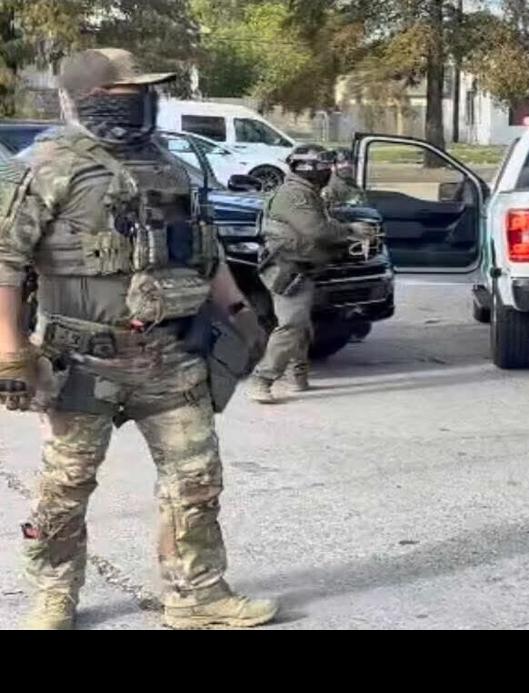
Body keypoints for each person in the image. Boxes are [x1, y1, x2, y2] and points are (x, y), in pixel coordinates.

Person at [0, 48, 277, 630]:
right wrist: (12, 352)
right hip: (80, 360)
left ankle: (196, 595)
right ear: (85, 100)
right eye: (124, 95)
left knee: (196, 481)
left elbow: (203, 249)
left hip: (171, 357)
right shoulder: (45, 165)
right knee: (64, 488)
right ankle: (53, 595)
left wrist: (239, 312)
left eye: (143, 95)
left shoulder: (169, 164)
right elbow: (4, 261)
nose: (140, 105)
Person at [249, 144, 367, 403]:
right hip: (288, 269)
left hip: (301, 268)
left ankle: (297, 376)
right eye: (324, 167)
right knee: (291, 325)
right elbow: (316, 230)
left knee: (300, 326)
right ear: (306, 169)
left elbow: (345, 195)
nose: (328, 171)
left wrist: (345, 174)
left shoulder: (309, 191)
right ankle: (262, 380)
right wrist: (351, 230)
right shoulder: (293, 195)